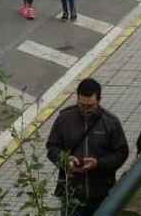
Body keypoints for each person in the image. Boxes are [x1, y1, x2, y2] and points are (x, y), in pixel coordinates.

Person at [45, 78, 129, 216]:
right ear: (77, 99)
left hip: (101, 194)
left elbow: (122, 153)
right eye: (82, 105)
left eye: (90, 106)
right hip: (72, 194)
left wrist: (98, 163)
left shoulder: (110, 122)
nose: (85, 110)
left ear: (99, 100)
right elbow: (52, 147)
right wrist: (65, 160)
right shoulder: (64, 119)